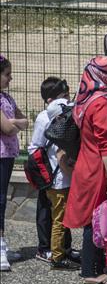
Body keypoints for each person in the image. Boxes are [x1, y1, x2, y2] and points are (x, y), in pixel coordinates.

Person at [62, 56, 107, 284]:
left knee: (100, 216)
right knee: (95, 219)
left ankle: (98, 267)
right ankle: (89, 271)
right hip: (97, 170)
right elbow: (105, 143)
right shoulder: (100, 104)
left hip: (93, 166)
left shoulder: (98, 99)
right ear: (103, 76)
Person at [28, 77, 78, 267]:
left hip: (65, 176)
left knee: (64, 215)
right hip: (52, 177)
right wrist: (46, 172)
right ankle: (53, 252)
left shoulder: (65, 117)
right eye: (63, 97)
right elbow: (36, 147)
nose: (67, 100)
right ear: (51, 100)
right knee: (56, 216)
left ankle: (65, 249)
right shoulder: (45, 118)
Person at [0, 54, 29, 271]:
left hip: (8, 155)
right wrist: (13, 124)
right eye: (7, 75)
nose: (10, 79)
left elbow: (24, 121)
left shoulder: (8, 99)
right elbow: (8, 129)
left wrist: (13, 122)